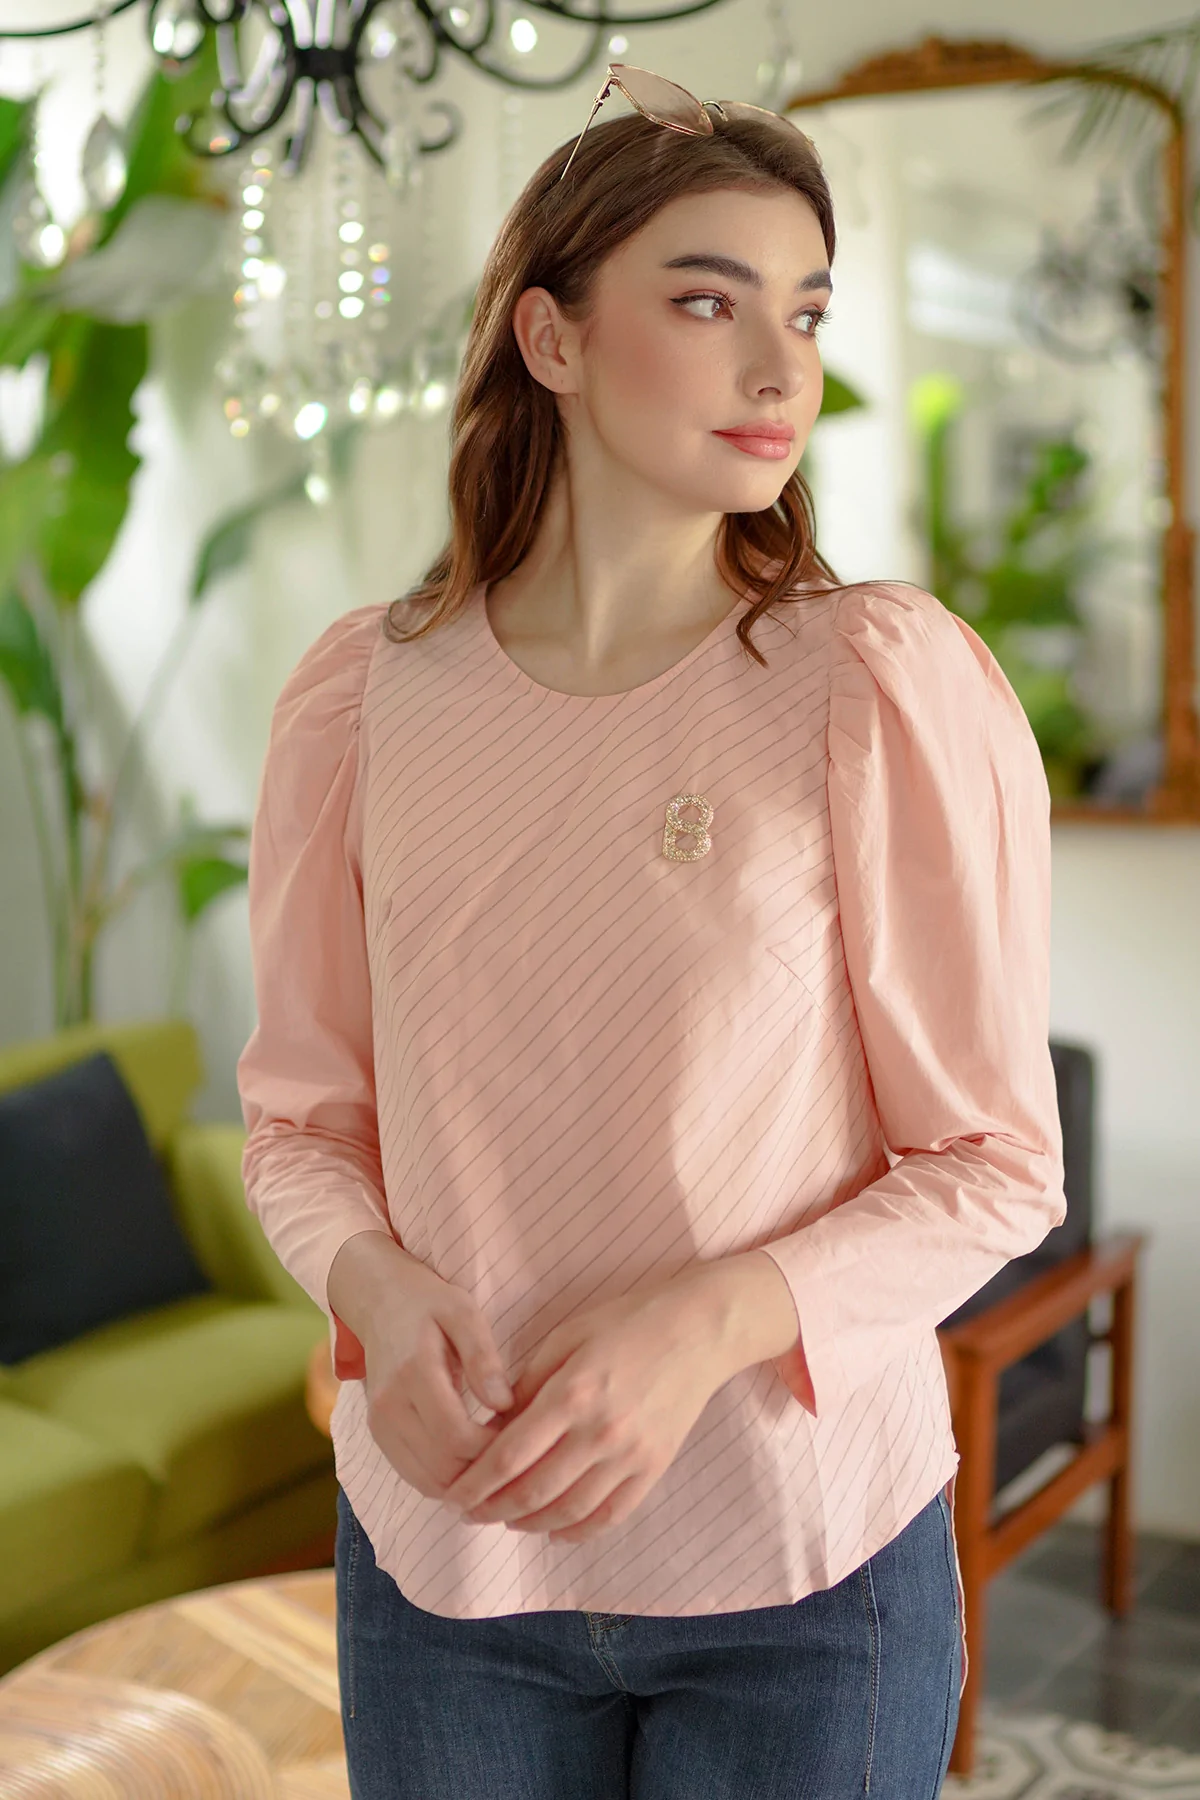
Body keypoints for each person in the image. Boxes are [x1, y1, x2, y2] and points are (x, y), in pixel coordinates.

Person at [236, 65, 1067, 1800]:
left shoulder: (871, 685)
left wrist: (703, 1326)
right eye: (708, 302)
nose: (781, 369)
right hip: (445, 1564)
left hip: (802, 1572)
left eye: (806, 313)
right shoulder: (361, 699)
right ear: (550, 337)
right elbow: (303, 1130)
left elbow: (994, 1165)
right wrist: (371, 1288)